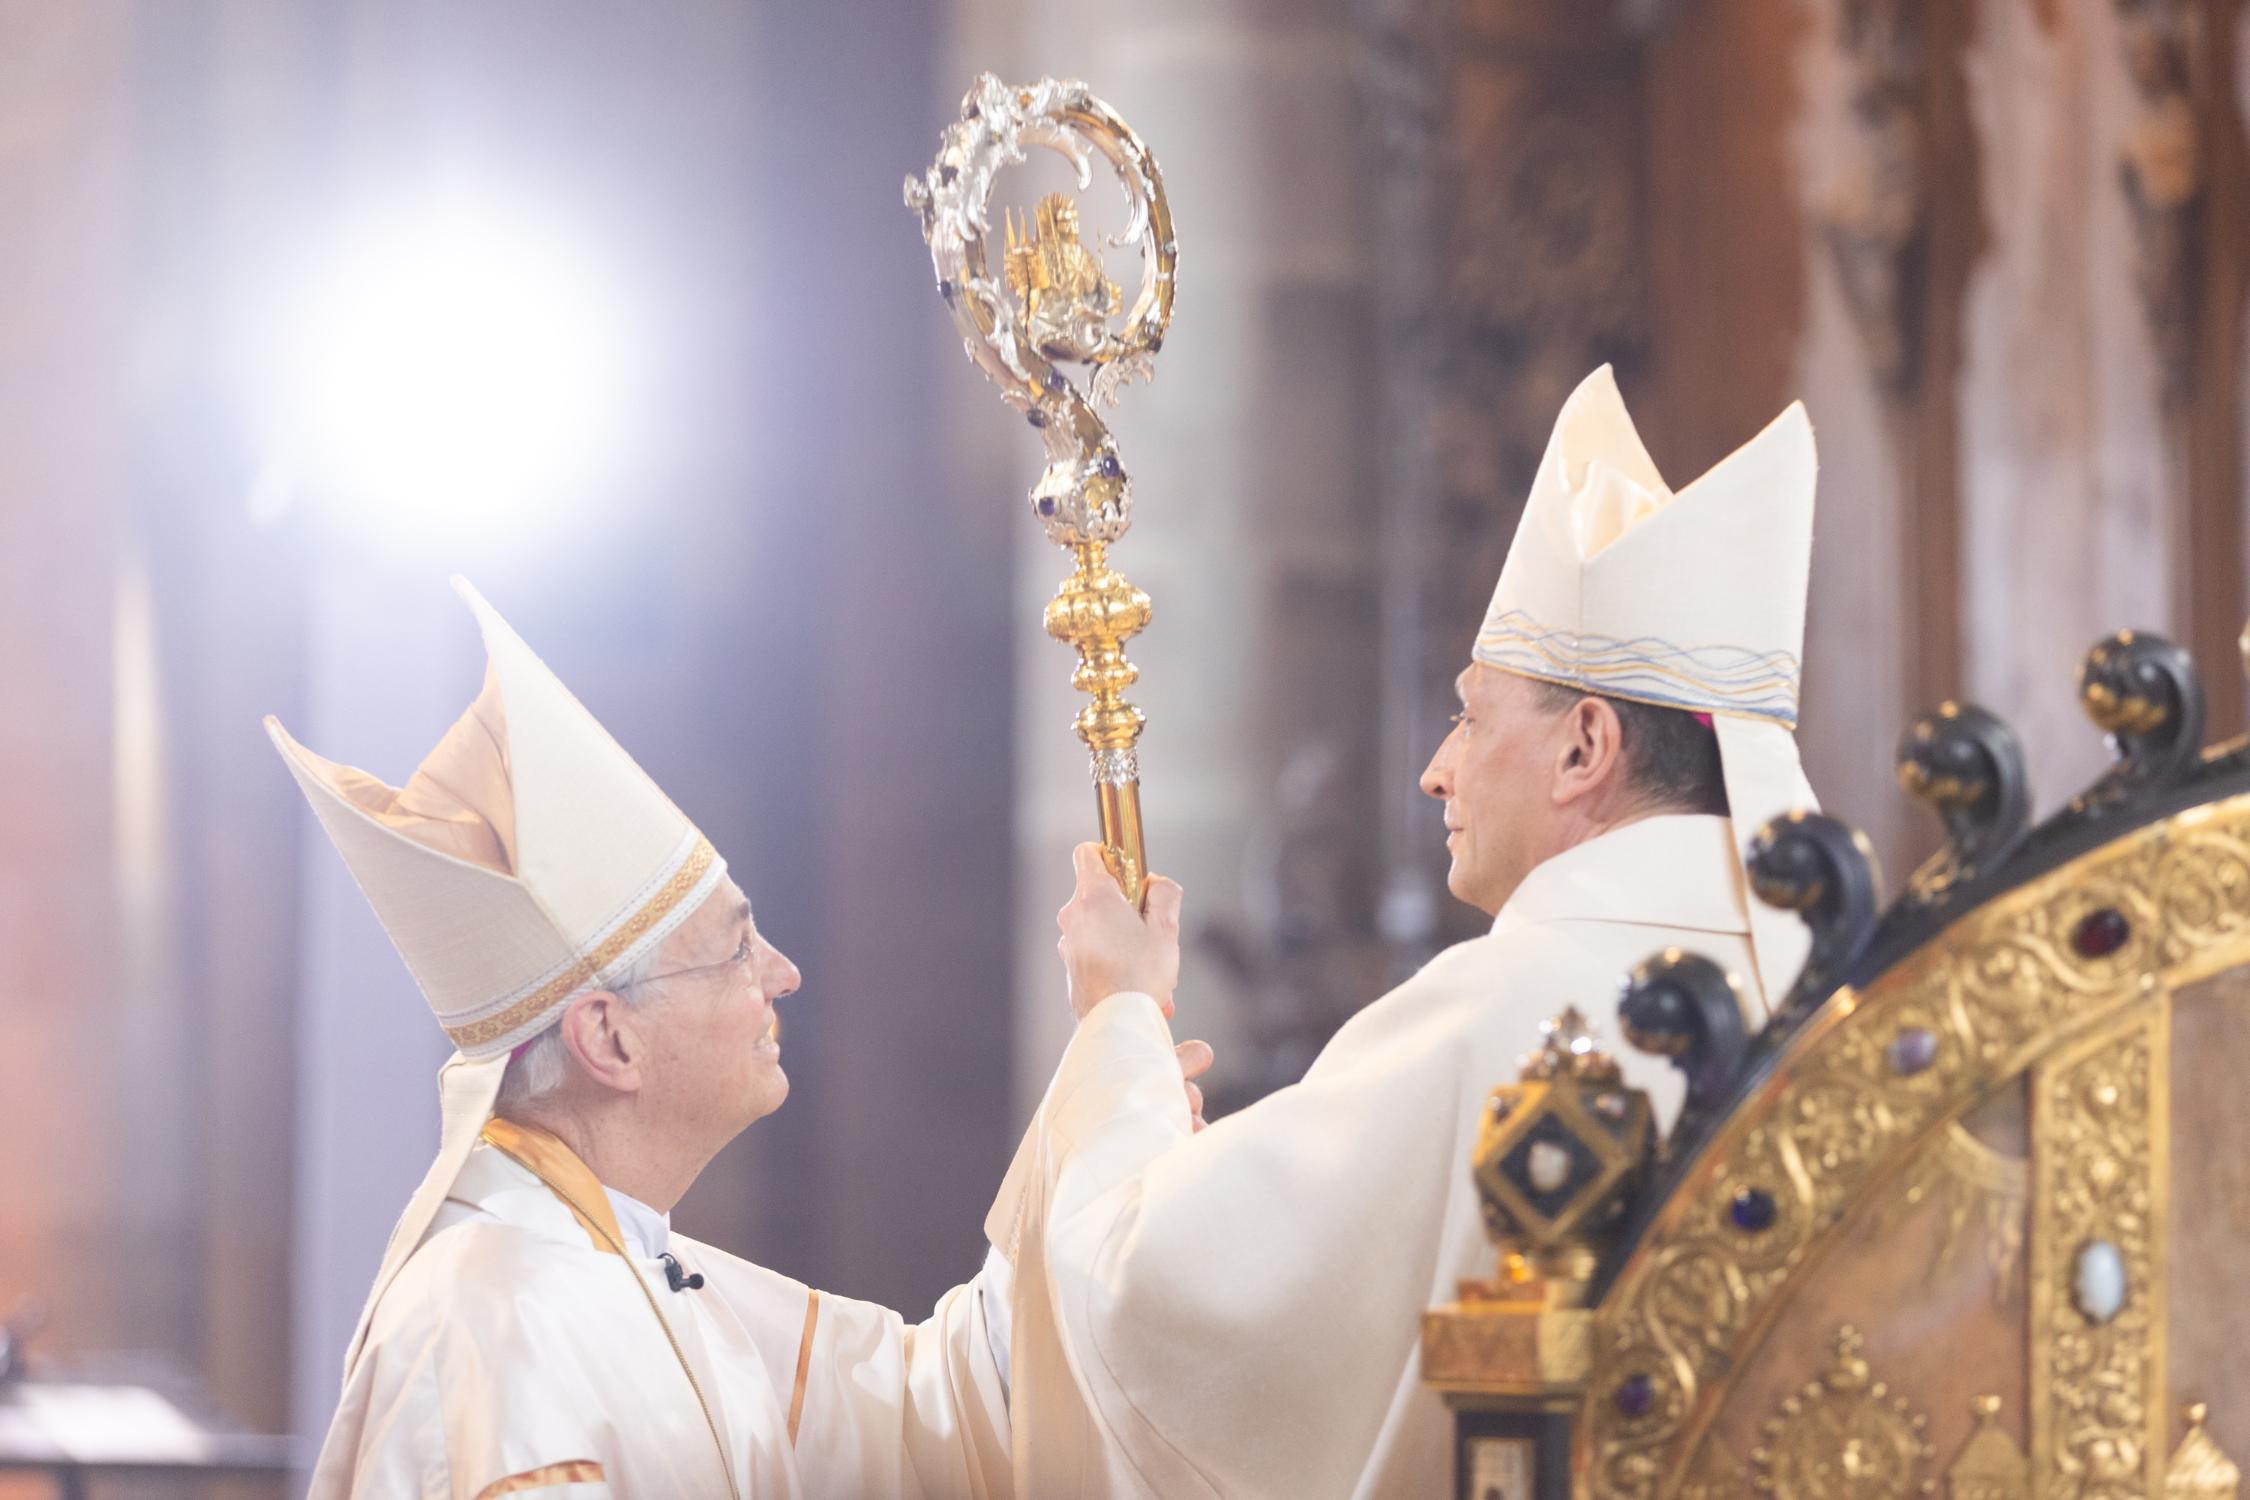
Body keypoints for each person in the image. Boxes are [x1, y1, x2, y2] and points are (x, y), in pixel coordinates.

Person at [992, 366, 1823, 1497]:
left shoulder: (1502, 1018)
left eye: (1471, 718)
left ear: (1587, 749)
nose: (1437, 771)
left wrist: (1120, 1026)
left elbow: (1145, 1302)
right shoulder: (1838, 1001)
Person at [272, 578, 1082, 1499]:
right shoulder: (491, 1323)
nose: (783, 973)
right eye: (737, 946)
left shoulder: (647, 1278)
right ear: (609, 1040)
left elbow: (934, 1410)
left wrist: (1101, 1103)